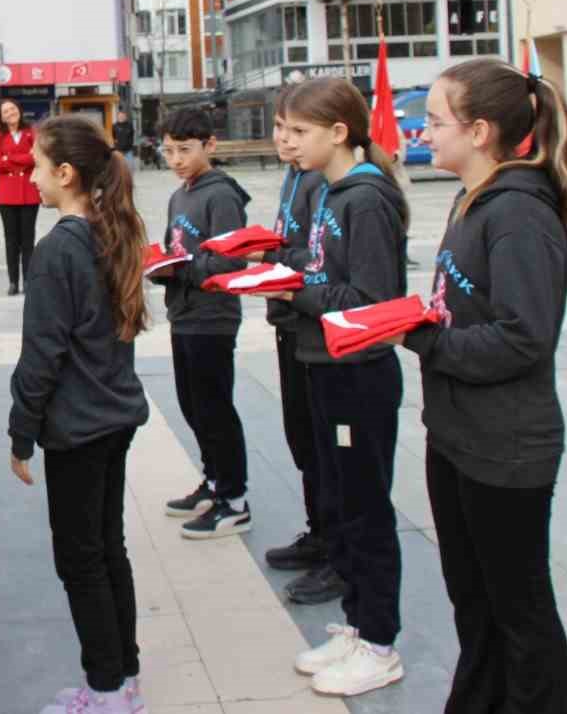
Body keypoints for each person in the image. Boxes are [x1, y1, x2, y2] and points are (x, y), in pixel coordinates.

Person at [402, 61, 567, 714]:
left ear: (480, 130)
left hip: (506, 448)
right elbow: (471, 310)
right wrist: (420, 319)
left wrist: (424, 337)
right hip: (458, 436)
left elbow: (523, 338)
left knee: (520, 611)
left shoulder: (518, 215)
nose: (421, 132)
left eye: (434, 120)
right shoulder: (473, 200)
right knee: (475, 603)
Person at [8, 116, 150, 714]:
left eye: (38, 167)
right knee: (106, 547)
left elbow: (43, 352)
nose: (32, 178)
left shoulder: (57, 249)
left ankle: (106, 688)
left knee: (81, 559)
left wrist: (21, 433)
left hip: (80, 425)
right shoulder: (112, 232)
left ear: (65, 174)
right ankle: (124, 674)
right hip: (113, 417)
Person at [273, 77, 410, 699]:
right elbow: (327, 271)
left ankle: (380, 643)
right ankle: (357, 624)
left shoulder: (365, 199)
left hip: (358, 372)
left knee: (365, 508)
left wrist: (295, 290)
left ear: (338, 132)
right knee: (341, 501)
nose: (288, 143)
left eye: (300, 131)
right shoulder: (330, 192)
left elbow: (374, 301)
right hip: (327, 365)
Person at [257, 92, 344, 605]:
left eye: (295, 130)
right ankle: (320, 531)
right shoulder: (296, 176)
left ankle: (339, 549)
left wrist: (273, 256)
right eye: (279, 129)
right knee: (303, 438)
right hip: (292, 321)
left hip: (317, 328)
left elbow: (318, 258)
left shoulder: (326, 183)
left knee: (327, 446)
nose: (285, 140)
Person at [153, 107, 253, 539]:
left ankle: (234, 498)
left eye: (184, 150)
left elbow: (230, 259)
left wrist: (181, 267)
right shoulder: (180, 194)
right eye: (168, 150)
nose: (175, 159)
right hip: (184, 314)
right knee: (193, 406)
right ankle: (213, 482)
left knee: (215, 408)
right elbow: (175, 246)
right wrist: (160, 265)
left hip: (213, 317)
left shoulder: (221, 195)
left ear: (209, 146)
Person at [0, 98, 39, 296]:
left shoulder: (31, 132)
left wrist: (9, 158)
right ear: (1, 117)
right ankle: (12, 281)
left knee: (28, 239)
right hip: (7, 195)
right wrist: (22, 160)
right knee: (11, 240)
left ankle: (28, 280)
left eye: (13, 109)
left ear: (19, 110)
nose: (10, 113)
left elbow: (36, 156)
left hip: (29, 192)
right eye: (6, 111)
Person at [112, 109, 136, 173]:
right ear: (117, 117)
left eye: (123, 116)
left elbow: (132, 135)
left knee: (130, 167)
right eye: (120, 116)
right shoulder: (114, 126)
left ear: (125, 117)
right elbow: (113, 137)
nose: (121, 117)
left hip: (128, 150)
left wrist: (130, 144)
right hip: (119, 150)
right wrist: (116, 145)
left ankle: (129, 180)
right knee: (118, 168)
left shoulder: (129, 125)